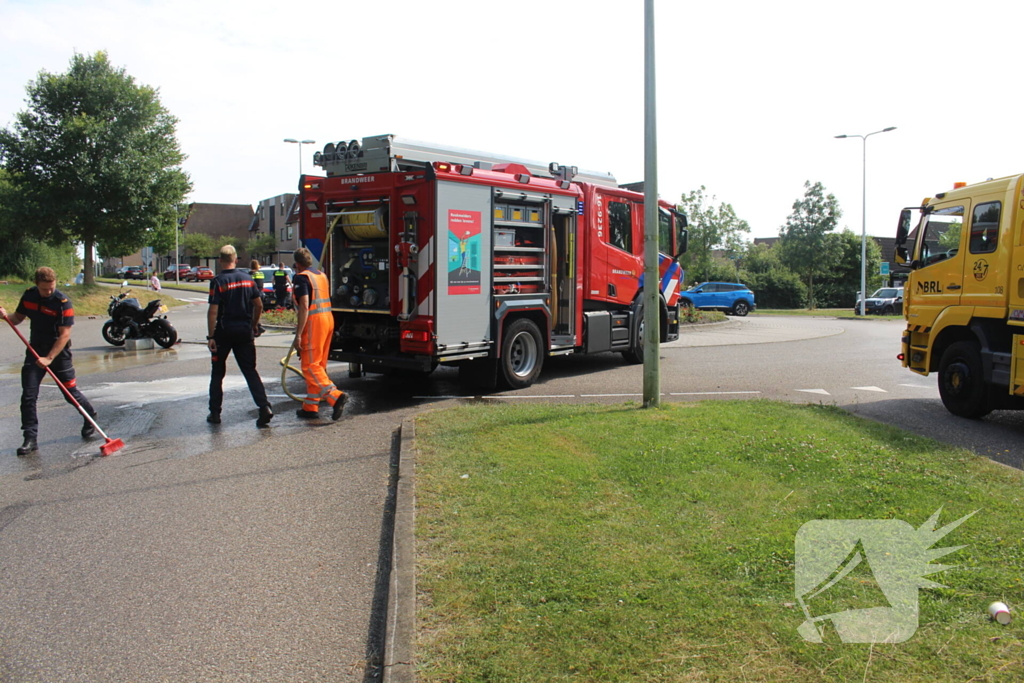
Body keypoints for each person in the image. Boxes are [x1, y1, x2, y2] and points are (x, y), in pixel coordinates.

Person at [0, 267, 98, 456]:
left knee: (70, 393)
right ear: (37, 285)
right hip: (35, 350)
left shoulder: (62, 302)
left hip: (58, 354)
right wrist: (4, 316)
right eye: (45, 289)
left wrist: (49, 358)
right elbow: (18, 318)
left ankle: (90, 416)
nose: (49, 292)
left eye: (51, 288)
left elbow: (64, 335)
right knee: (28, 396)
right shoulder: (29, 296)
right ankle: (30, 438)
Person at [207, 245, 273, 427]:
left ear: (220, 260)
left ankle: (215, 413)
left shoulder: (218, 281)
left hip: (224, 332)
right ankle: (264, 407)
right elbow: (259, 305)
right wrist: (253, 325)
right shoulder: (248, 279)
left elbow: (213, 311)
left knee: (218, 373)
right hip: (245, 331)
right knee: (250, 371)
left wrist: (211, 336)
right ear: (236, 260)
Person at [291, 247, 346, 421]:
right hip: (328, 319)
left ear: (297, 264)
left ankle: (335, 396)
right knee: (319, 366)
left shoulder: (301, 277)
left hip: (314, 322)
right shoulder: (321, 275)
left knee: (310, 366)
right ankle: (310, 407)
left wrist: (298, 334)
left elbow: (305, 305)